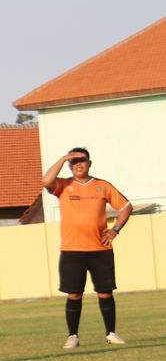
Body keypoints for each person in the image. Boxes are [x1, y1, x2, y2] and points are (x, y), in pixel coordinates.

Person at [42, 148, 132, 348]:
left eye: (81, 160)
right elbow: (46, 181)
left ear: (89, 163)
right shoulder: (64, 185)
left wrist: (115, 230)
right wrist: (63, 158)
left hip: (100, 249)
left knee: (105, 292)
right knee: (74, 293)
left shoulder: (102, 186)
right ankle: (72, 336)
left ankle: (111, 333)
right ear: (69, 165)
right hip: (72, 250)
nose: (78, 164)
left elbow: (126, 207)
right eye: (73, 161)